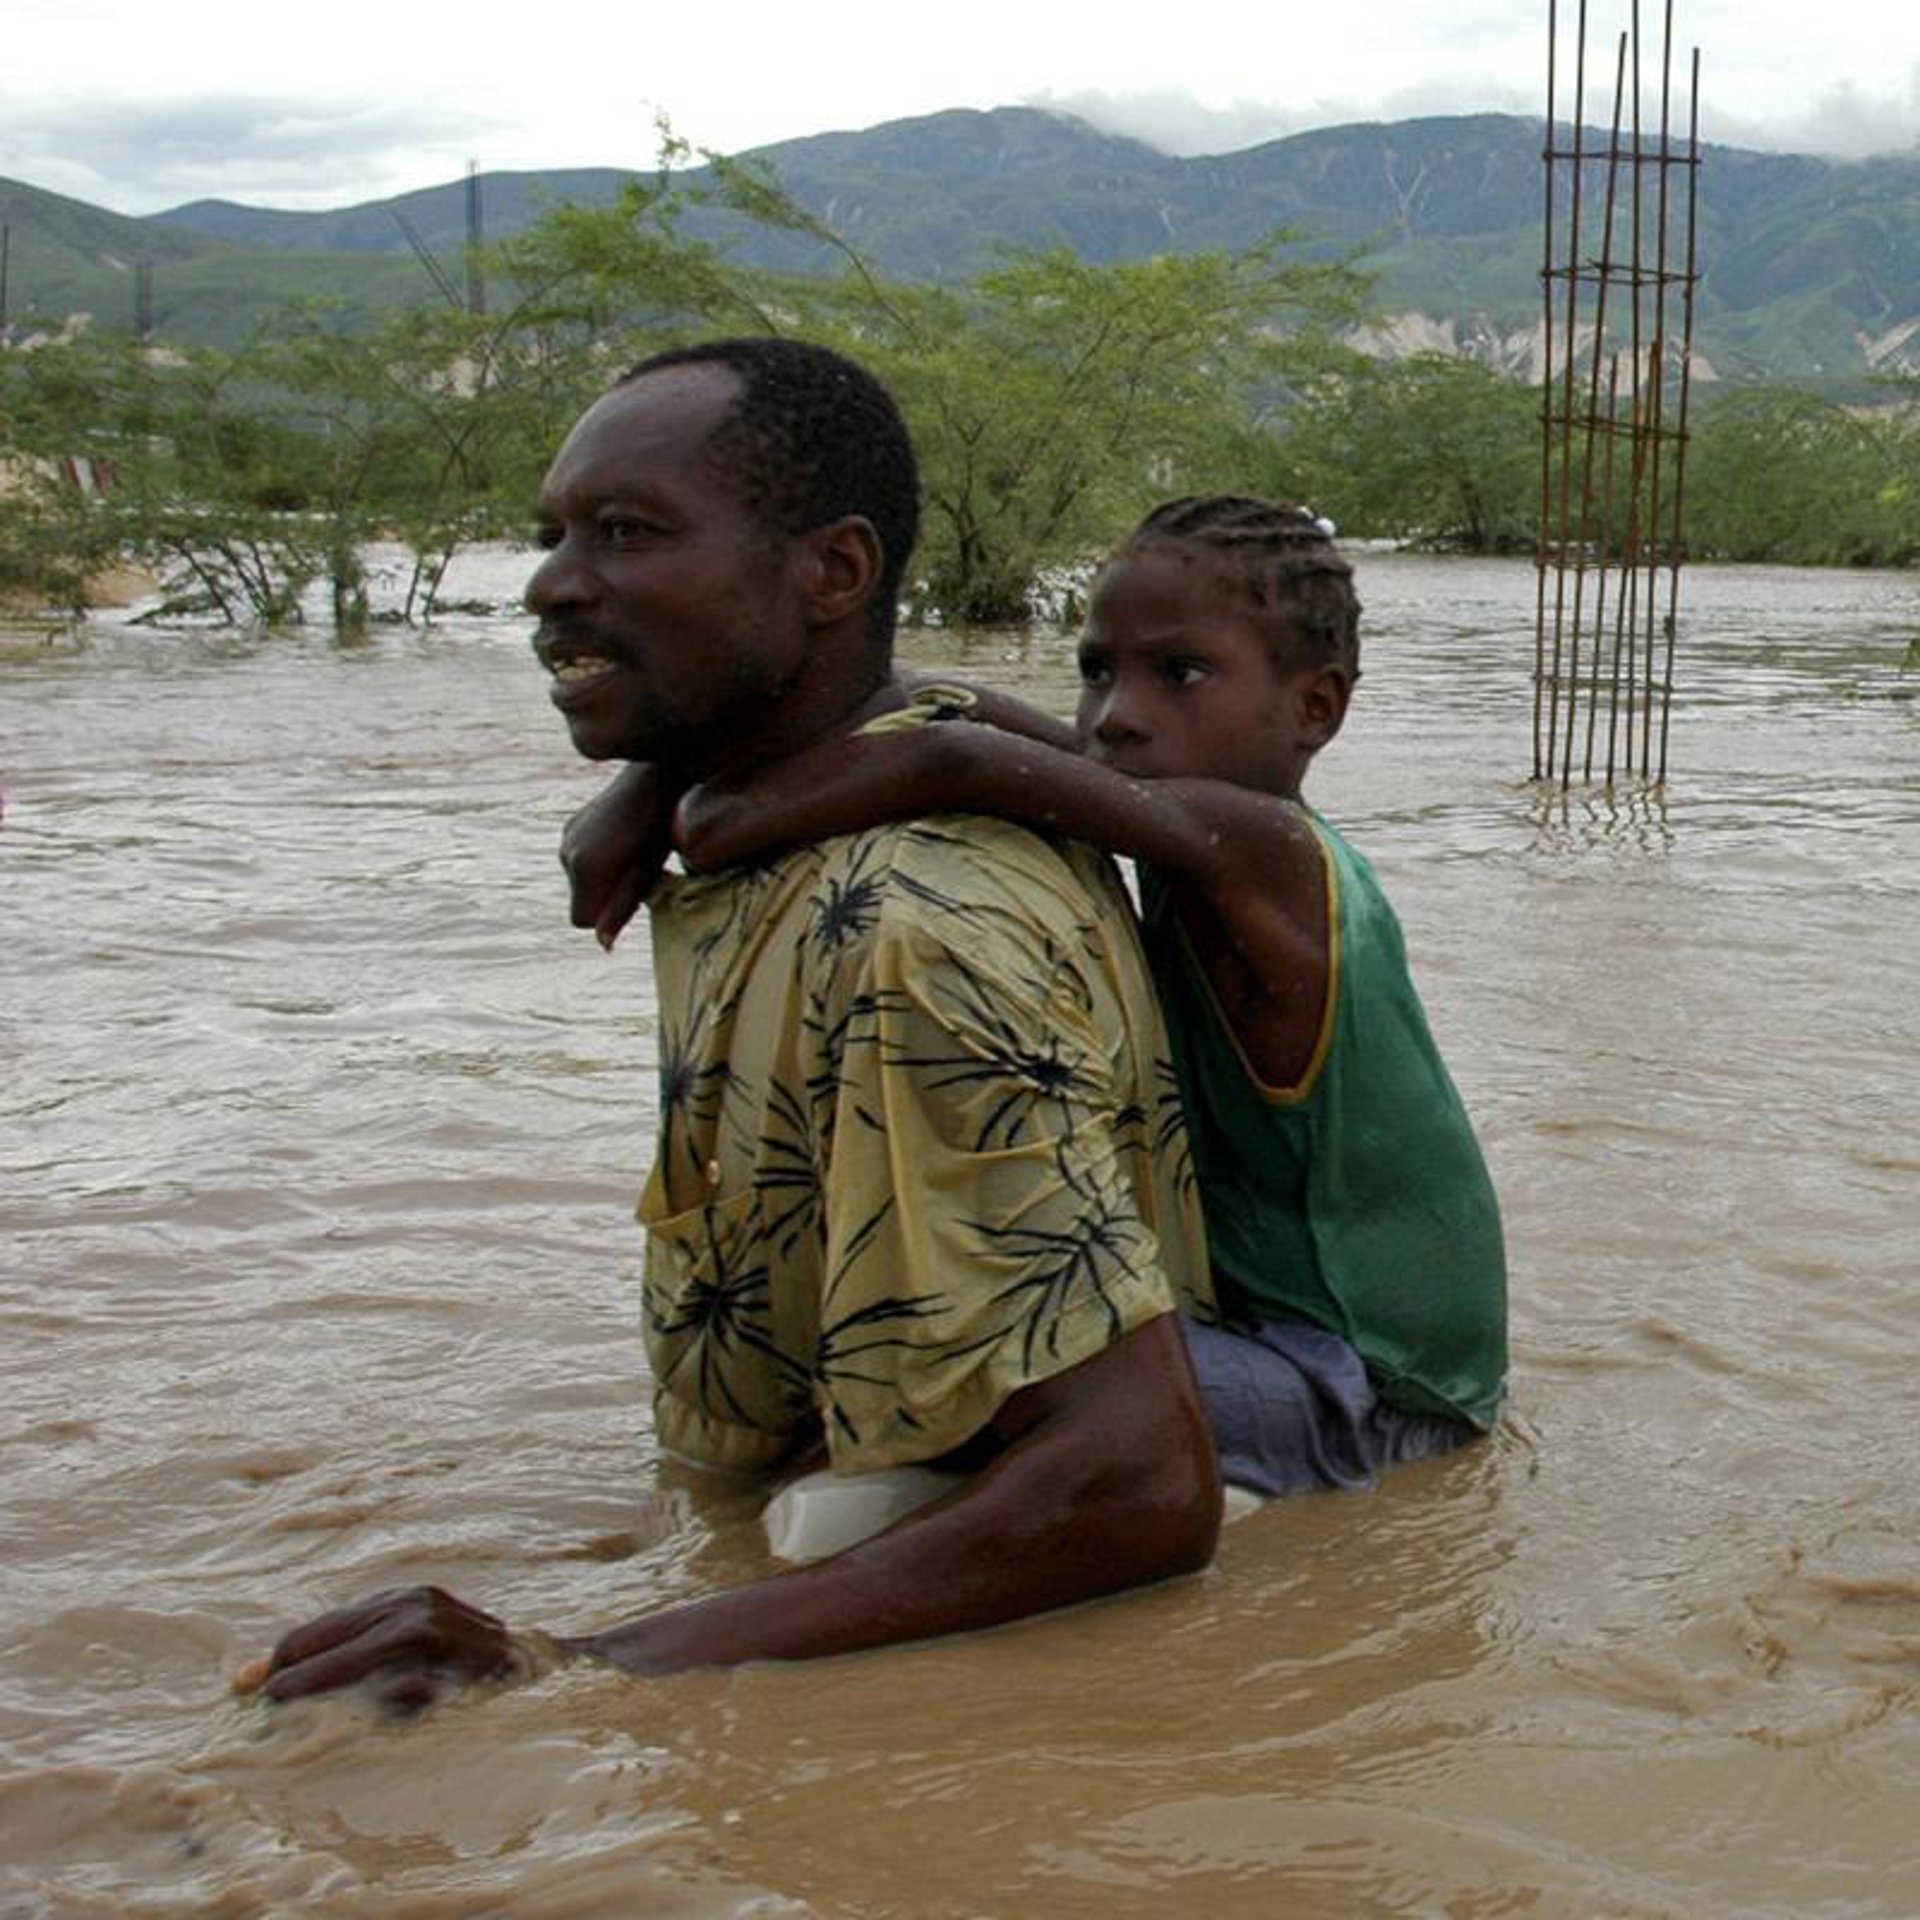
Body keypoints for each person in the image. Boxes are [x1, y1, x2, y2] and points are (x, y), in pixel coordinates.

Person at [248, 338, 1222, 1709]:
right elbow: (928, 709)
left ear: (833, 571)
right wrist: (658, 787)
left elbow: (1137, 1485)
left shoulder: (912, 933)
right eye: (555, 534)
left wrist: (568, 1667)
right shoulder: (791, 819)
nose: (551, 583)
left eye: (627, 533)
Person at [578, 495, 1508, 1501]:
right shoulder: (1182, 817)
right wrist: (651, 776)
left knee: (951, 1381)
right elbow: (949, 707)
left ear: (1315, 709)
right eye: (1097, 671)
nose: (1116, 716)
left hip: (1369, 1387)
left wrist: (701, 816)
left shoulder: (1268, 850)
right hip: (1279, 1339)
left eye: (1180, 674)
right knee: (922, 1366)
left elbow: (953, 759)